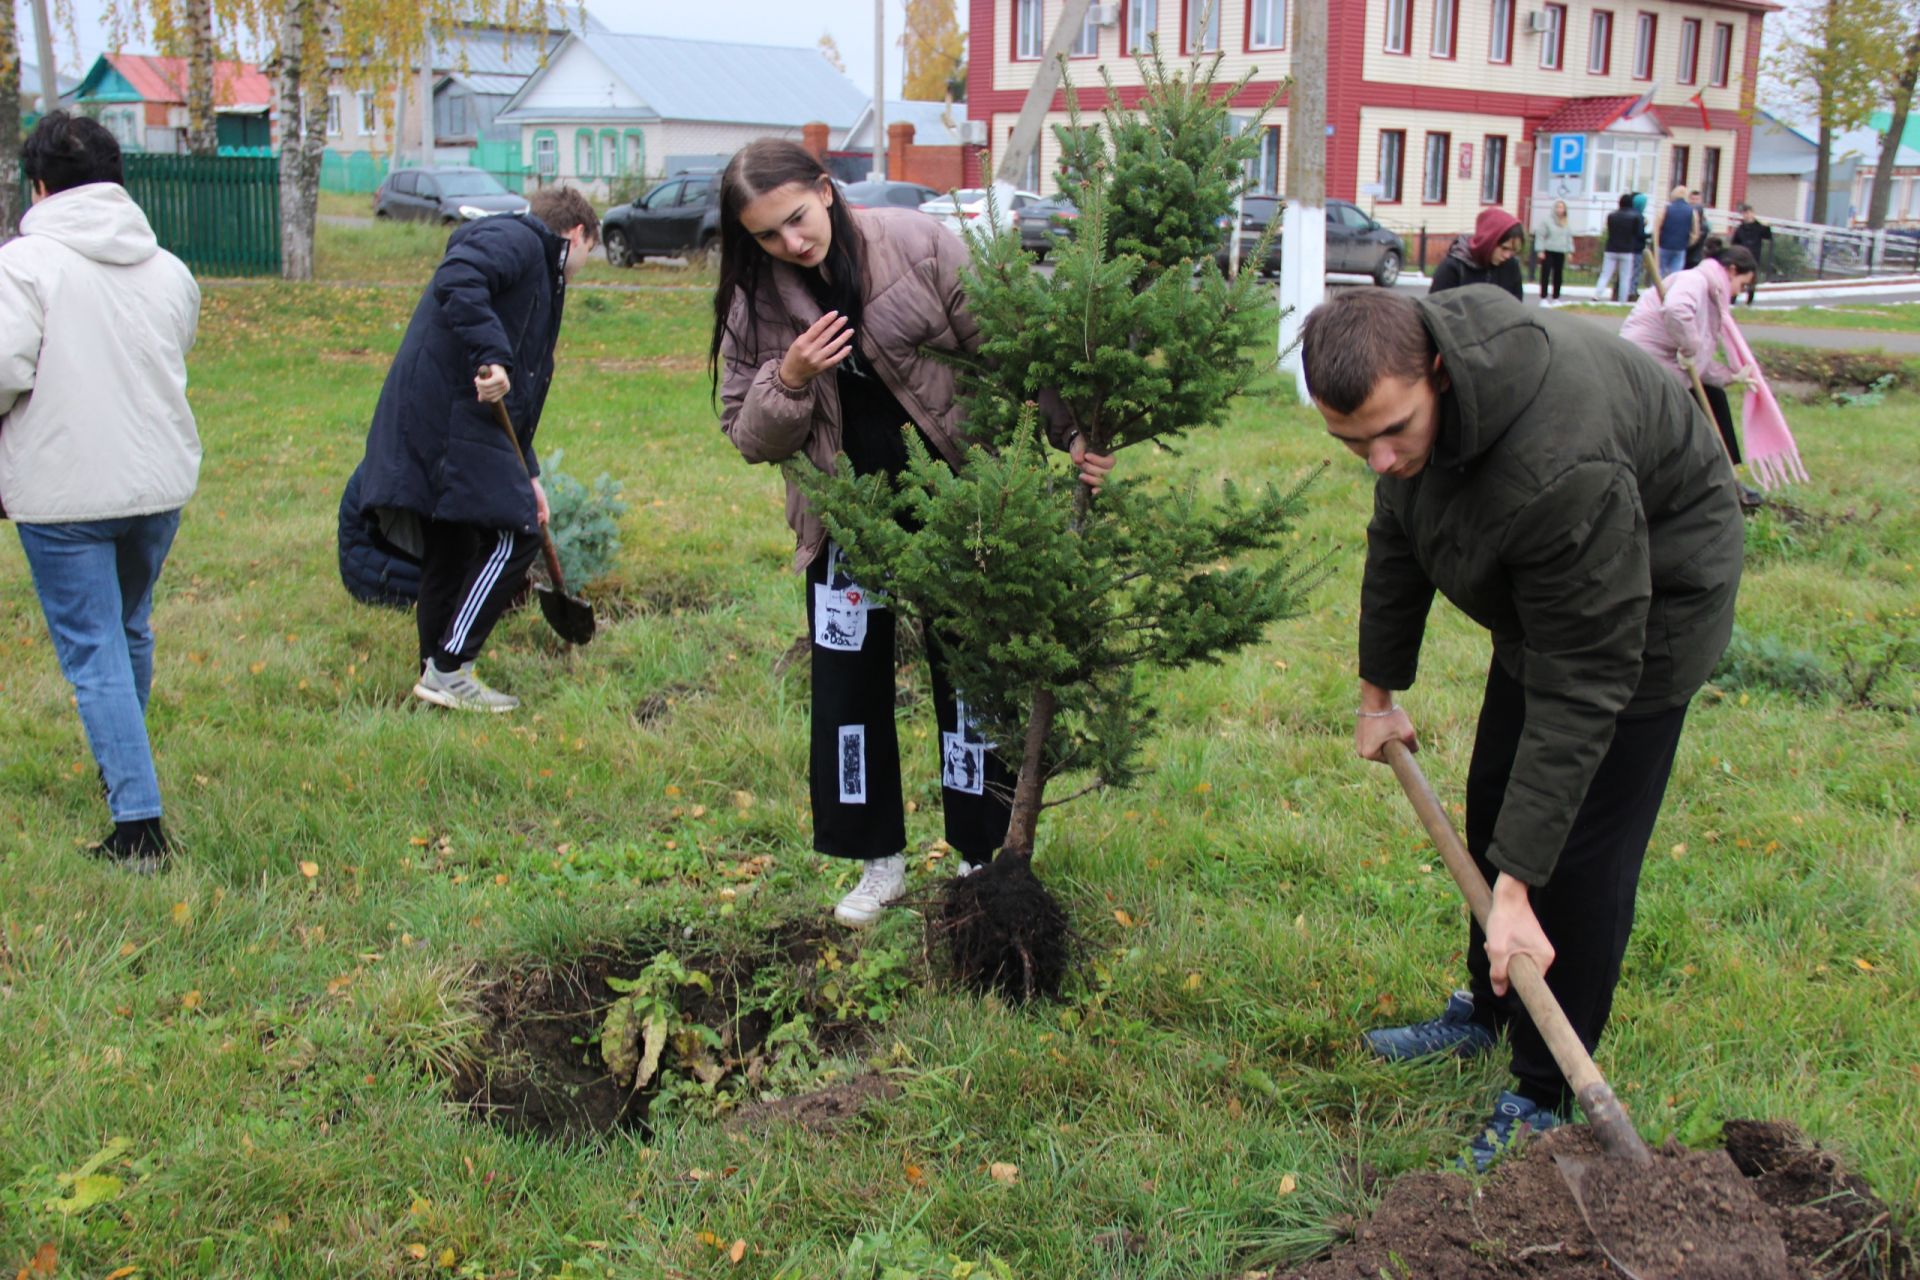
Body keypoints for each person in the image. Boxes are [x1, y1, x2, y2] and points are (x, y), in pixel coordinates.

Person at [1300, 286, 1742, 1170]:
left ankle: (1544, 1091)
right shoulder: (1418, 417)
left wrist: (1517, 890)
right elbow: (1397, 539)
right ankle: (1491, 1007)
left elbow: (1587, 679)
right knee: (1498, 796)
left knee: (1576, 856)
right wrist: (1377, 692)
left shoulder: (1557, 463)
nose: (1379, 459)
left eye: (1393, 431)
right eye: (1353, 443)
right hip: (1550, 597)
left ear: (1436, 370)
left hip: (1650, 606)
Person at [710, 139, 1114, 927]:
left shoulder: (921, 245)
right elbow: (746, 432)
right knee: (847, 692)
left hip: (957, 508)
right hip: (846, 521)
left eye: (796, 218)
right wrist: (788, 377)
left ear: (825, 192)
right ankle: (877, 863)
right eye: (766, 234)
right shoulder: (754, 304)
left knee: (970, 685)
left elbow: (1011, 342)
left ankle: (976, 855)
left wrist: (1070, 434)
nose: (790, 243)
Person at [0, 112, 201, 871]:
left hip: (67, 492)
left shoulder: (25, 266)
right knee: (129, 630)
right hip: (156, 484)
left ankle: (138, 829)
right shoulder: (169, 269)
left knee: (95, 651)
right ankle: (125, 765)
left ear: (40, 186)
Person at [353, 188, 599, 712]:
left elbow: (520, 399)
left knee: (455, 543)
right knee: (517, 534)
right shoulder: (518, 239)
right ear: (578, 234)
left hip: (457, 417)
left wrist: (528, 473)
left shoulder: (538, 277)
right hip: (449, 418)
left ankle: (432, 674)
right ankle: (449, 668)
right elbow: (459, 274)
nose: (582, 268)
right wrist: (491, 353)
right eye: (588, 254)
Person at [1621, 244, 1766, 508]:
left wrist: (1732, 376)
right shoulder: (1695, 280)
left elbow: (1698, 364)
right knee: (1699, 414)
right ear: (1732, 271)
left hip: (1667, 367)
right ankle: (1710, 481)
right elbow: (1676, 310)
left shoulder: (1712, 296)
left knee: (1715, 399)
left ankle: (1723, 477)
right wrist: (1690, 346)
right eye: (1742, 285)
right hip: (1644, 366)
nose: (1738, 294)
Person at [1427, 208, 1525, 299]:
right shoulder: (1454, 268)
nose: (1507, 255)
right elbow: (1435, 309)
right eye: (1504, 248)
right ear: (1489, 241)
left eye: (1512, 250)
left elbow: (1516, 309)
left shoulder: (1511, 267)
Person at [1592, 193, 1642, 303]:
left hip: (1611, 248)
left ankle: (1597, 295)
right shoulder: (1635, 217)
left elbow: (1610, 230)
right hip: (1627, 250)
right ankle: (1622, 301)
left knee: (1605, 274)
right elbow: (1637, 233)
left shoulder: (1612, 216)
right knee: (1625, 277)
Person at [1531, 200, 1573, 304]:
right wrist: (1540, 250)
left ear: (1565, 210)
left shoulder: (1566, 222)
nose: (1559, 209)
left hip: (1560, 251)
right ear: (1554, 209)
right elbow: (1540, 235)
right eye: (1557, 207)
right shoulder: (1547, 221)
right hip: (1548, 250)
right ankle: (1543, 297)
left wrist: (1570, 251)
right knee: (1545, 273)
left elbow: (1569, 237)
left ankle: (1556, 297)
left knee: (1558, 275)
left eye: (1561, 207)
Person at [1730, 204, 1772, 304]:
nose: (1747, 215)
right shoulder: (1740, 228)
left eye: (1749, 213)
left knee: (1752, 279)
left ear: (1753, 214)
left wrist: (1767, 227)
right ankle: (1733, 298)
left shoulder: (1759, 227)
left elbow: (1768, 236)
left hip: (1754, 256)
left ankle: (1749, 300)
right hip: (1741, 257)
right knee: (1738, 277)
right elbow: (1735, 242)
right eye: (1745, 213)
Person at [1658, 184, 1697, 280]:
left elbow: (1658, 227)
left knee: (1660, 272)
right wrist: (1687, 243)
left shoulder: (1666, 209)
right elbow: (1695, 233)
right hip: (1680, 246)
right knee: (1675, 275)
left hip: (1664, 245)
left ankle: (1658, 292)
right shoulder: (1692, 212)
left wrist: (1658, 241)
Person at [1684, 189, 1713, 270]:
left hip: (1695, 255)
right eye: (1692, 199)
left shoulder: (1704, 222)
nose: (1694, 202)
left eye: (1697, 199)